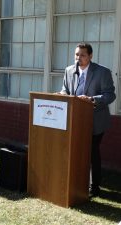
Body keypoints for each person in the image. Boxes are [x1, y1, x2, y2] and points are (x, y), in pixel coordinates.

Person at [59, 42, 116, 197]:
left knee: (91, 152)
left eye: (82, 55)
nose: (79, 58)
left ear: (90, 56)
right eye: (77, 54)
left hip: (95, 120)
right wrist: (62, 95)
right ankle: (76, 182)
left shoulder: (102, 72)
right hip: (74, 119)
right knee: (75, 151)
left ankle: (94, 187)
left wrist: (91, 99)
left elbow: (110, 95)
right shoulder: (69, 70)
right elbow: (65, 89)